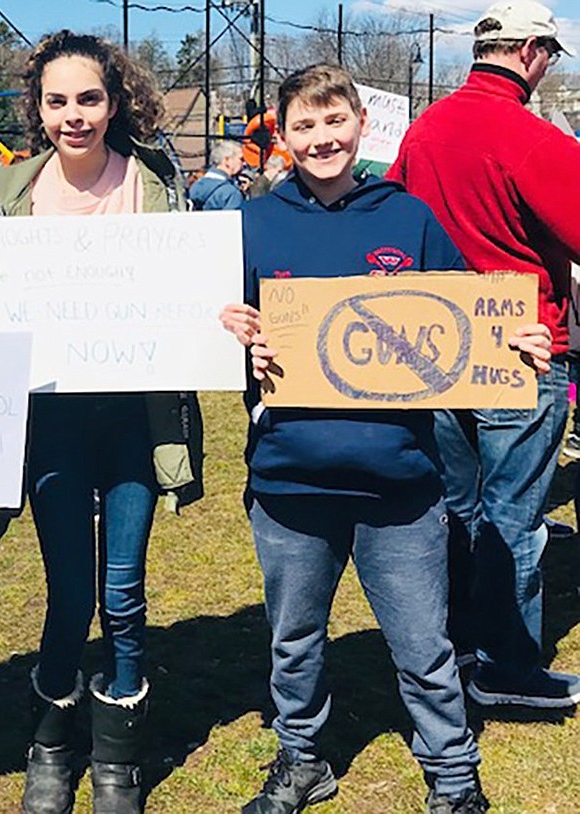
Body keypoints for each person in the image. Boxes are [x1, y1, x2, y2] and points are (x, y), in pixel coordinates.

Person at [217, 63, 544, 814]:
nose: (322, 138)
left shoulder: (411, 219)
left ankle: (454, 778)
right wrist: (235, 337)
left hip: (400, 484)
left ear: (362, 125)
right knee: (294, 643)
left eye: (335, 121)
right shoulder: (254, 224)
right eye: (305, 124)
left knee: (424, 648)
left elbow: (469, 329)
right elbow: (212, 333)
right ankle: (301, 760)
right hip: (290, 482)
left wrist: (512, 345)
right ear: (284, 133)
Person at [0, 30, 203, 814]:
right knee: (69, 593)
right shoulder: (2, 192)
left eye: (89, 98)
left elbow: (187, 292)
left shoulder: (156, 183)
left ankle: (119, 758)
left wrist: (215, 312)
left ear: (115, 100)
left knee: (123, 592)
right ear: (39, 107)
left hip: (136, 418)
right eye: (57, 101)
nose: (74, 116)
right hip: (49, 421)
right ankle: (53, 746)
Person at [388, 0, 580, 708]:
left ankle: (458, 648)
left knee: (456, 508)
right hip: (524, 349)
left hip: (437, 347)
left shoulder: (425, 129)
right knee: (515, 518)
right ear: (531, 51)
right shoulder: (528, 135)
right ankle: (507, 665)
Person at [187, 139, 245, 210]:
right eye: (241, 159)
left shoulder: (195, 187)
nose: (244, 164)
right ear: (227, 160)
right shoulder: (231, 193)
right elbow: (233, 220)